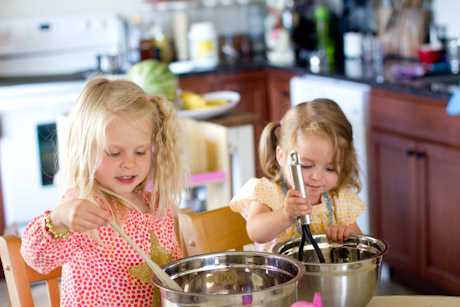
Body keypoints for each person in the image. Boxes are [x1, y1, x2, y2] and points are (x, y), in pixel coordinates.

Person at [20, 77, 187, 306]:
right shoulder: (84, 206)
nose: (129, 163)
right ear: (84, 150)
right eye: (114, 153)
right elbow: (36, 257)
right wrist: (58, 219)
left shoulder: (155, 204)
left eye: (140, 152)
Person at [230, 98, 366, 252]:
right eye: (306, 165)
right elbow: (256, 232)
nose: (317, 176)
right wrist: (285, 215)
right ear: (281, 156)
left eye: (330, 168)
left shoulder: (339, 200)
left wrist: (344, 236)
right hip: (278, 275)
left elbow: (360, 246)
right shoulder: (268, 193)